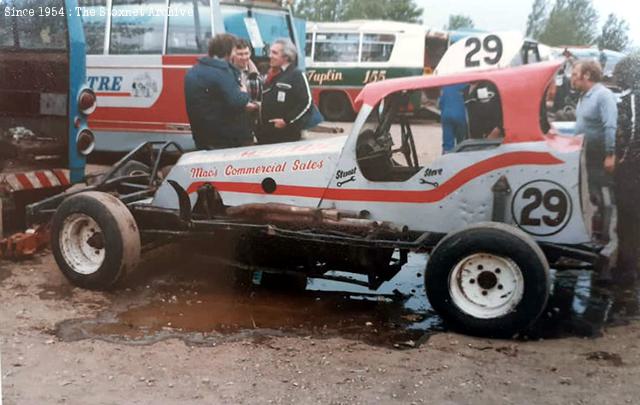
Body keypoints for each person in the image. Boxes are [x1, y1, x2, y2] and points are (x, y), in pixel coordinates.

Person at [184, 34, 257, 150]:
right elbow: (237, 101)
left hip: (201, 137)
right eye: (234, 50)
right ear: (228, 51)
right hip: (224, 140)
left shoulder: (193, 71)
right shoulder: (222, 72)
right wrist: (244, 92)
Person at [612, 54, 640, 283]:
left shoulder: (631, 98)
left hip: (632, 168)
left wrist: (619, 158)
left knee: (628, 218)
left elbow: (628, 132)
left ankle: (627, 269)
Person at [256, 38, 312, 144]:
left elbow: (306, 102)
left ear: (286, 57)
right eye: (270, 52)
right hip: (264, 135)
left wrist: (287, 121)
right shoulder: (268, 73)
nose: (270, 56)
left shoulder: (297, 75)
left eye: (274, 53)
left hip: (285, 137)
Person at [439, 84, 468, 153]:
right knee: (461, 143)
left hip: (446, 115)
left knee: (447, 143)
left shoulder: (446, 85)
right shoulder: (465, 85)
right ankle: (460, 159)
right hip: (461, 115)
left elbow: (440, 103)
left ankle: (446, 158)